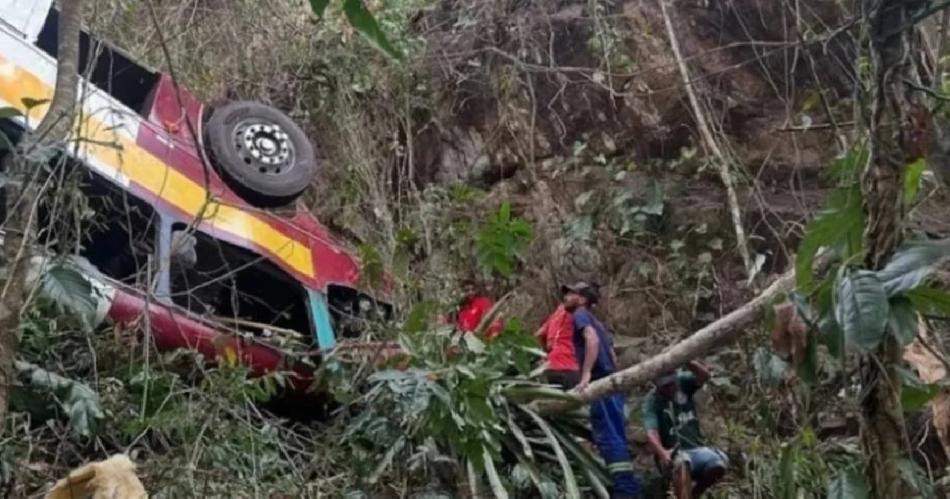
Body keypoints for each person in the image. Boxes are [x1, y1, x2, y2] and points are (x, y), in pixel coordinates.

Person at [562, 281, 641, 499]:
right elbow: (613, 356)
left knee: (609, 438)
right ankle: (631, 489)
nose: (566, 296)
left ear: (583, 300)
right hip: (612, 387)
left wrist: (586, 374)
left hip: (601, 387)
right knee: (616, 437)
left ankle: (625, 492)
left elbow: (591, 340)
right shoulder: (599, 323)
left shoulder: (581, 315)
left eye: (572, 293)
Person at [642, 360, 727, 498]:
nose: (670, 389)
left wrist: (687, 360)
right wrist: (662, 452)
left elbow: (705, 376)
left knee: (718, 464)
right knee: (682, 463)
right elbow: (651, 431)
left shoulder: (683, 381)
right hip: (673, 453)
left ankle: (696, 493)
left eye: (672, 384)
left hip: (696, 449)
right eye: (665, 386)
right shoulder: (652, 401)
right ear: (657, 385)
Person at [533, 301, 579, 389]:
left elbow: (539, 335)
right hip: (570, 365)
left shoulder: (555, 315)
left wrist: (544, 354)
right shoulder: (577, 313)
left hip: (551, 365)